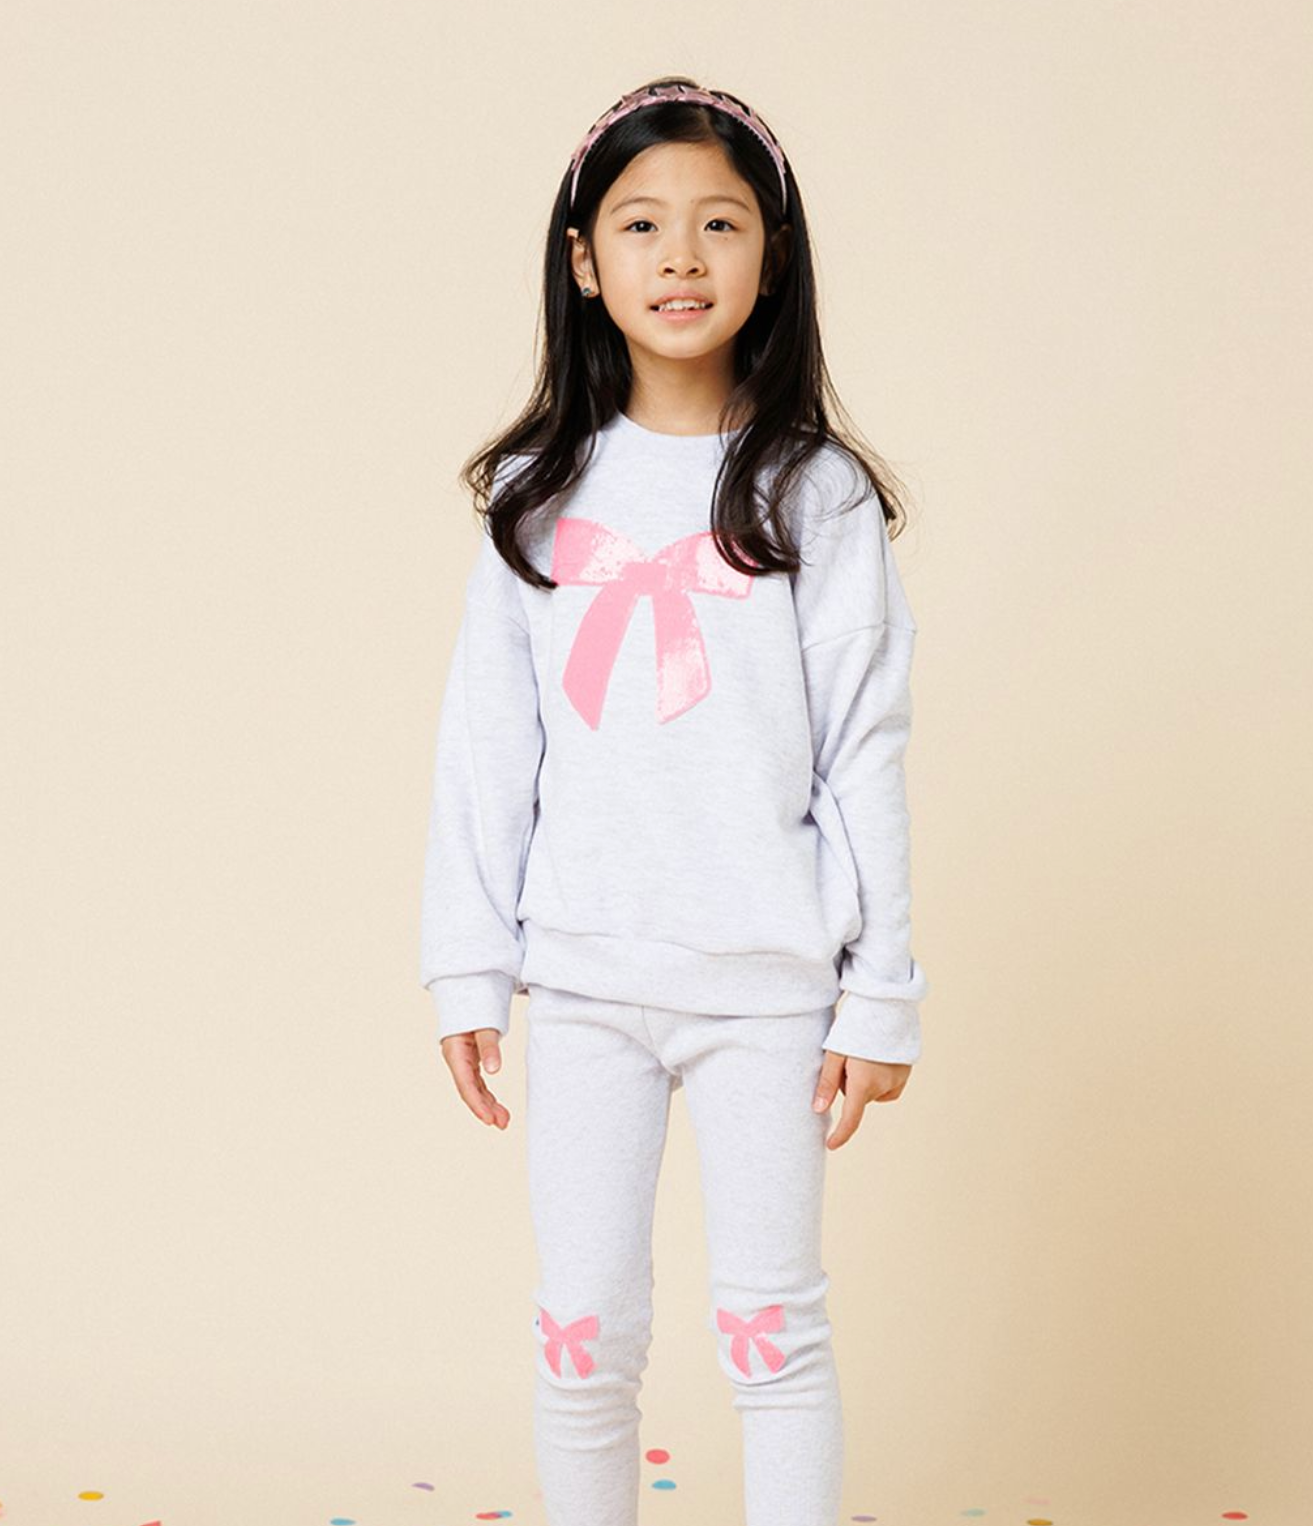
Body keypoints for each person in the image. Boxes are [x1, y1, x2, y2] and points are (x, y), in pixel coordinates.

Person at [419, 73, 931, 1526]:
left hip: (769, 986)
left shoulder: (818, 496)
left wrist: (881, 991)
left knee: (773, 1329)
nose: (683, 256)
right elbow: (488, 747)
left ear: (773, 253)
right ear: (585, 262)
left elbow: (864, 747)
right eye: (642, 225)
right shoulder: (536, 492)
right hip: (586, 979)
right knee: (582, 1339)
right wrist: (467, 963)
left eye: (721, 222)